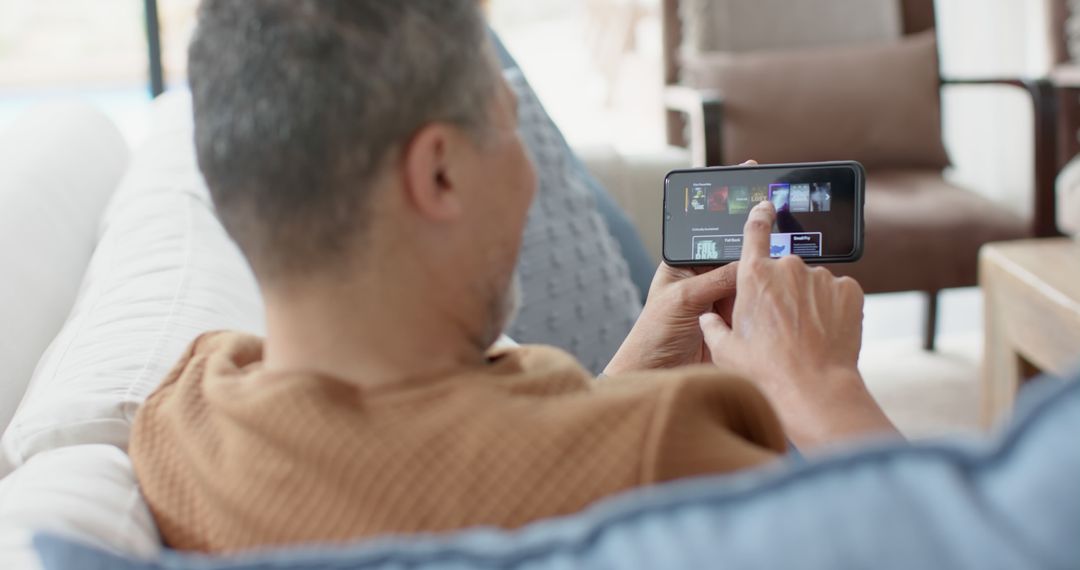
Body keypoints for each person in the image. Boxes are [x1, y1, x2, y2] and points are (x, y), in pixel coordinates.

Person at [128, 0, 896, 553]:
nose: (529, 176)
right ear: (439, 172)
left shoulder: (180, 414)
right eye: (508, 124)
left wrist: (623, 382)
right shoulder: (670, 451)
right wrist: (818, 386)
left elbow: (486, 475)